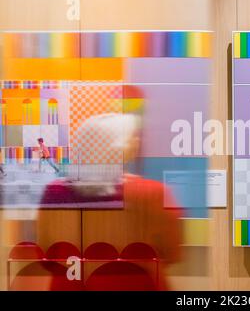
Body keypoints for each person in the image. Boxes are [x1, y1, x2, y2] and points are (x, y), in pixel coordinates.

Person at [39, 113, 183, 290]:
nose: (138, 141)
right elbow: (172, 254)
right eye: (133, 136)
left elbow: (46, 256)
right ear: (120, 147)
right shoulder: (152, 193)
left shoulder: (54, 192)